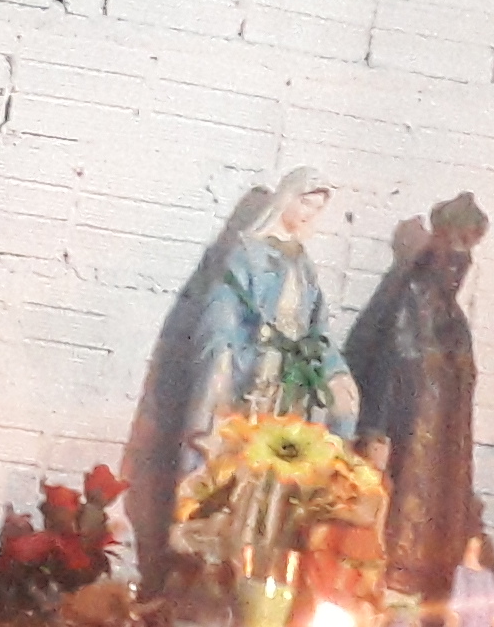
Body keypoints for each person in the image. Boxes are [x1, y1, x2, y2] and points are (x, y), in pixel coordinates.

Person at [122, 167, 354, 594]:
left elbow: (318, 332)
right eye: (305, 202)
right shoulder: (245, 254)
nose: (309, 214)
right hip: (252, 390)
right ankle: (214, 574)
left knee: (277, 492)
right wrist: (227, 369)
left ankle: (262, 580)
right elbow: (220, 321)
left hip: (289, 397)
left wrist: (336, 375)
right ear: (286, 199)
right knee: (237, 479)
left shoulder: (303, 265)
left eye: (317, 208)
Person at [350, 194, 491, 627]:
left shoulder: (453, 318)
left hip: (446, 447)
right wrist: (375, 431)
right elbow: (379, 363)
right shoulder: (406, 300)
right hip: (407, 440)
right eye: (453, 253)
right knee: (399, 528)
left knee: (441, 529)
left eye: (466, 256)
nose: (458, 266)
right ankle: (389, 626)